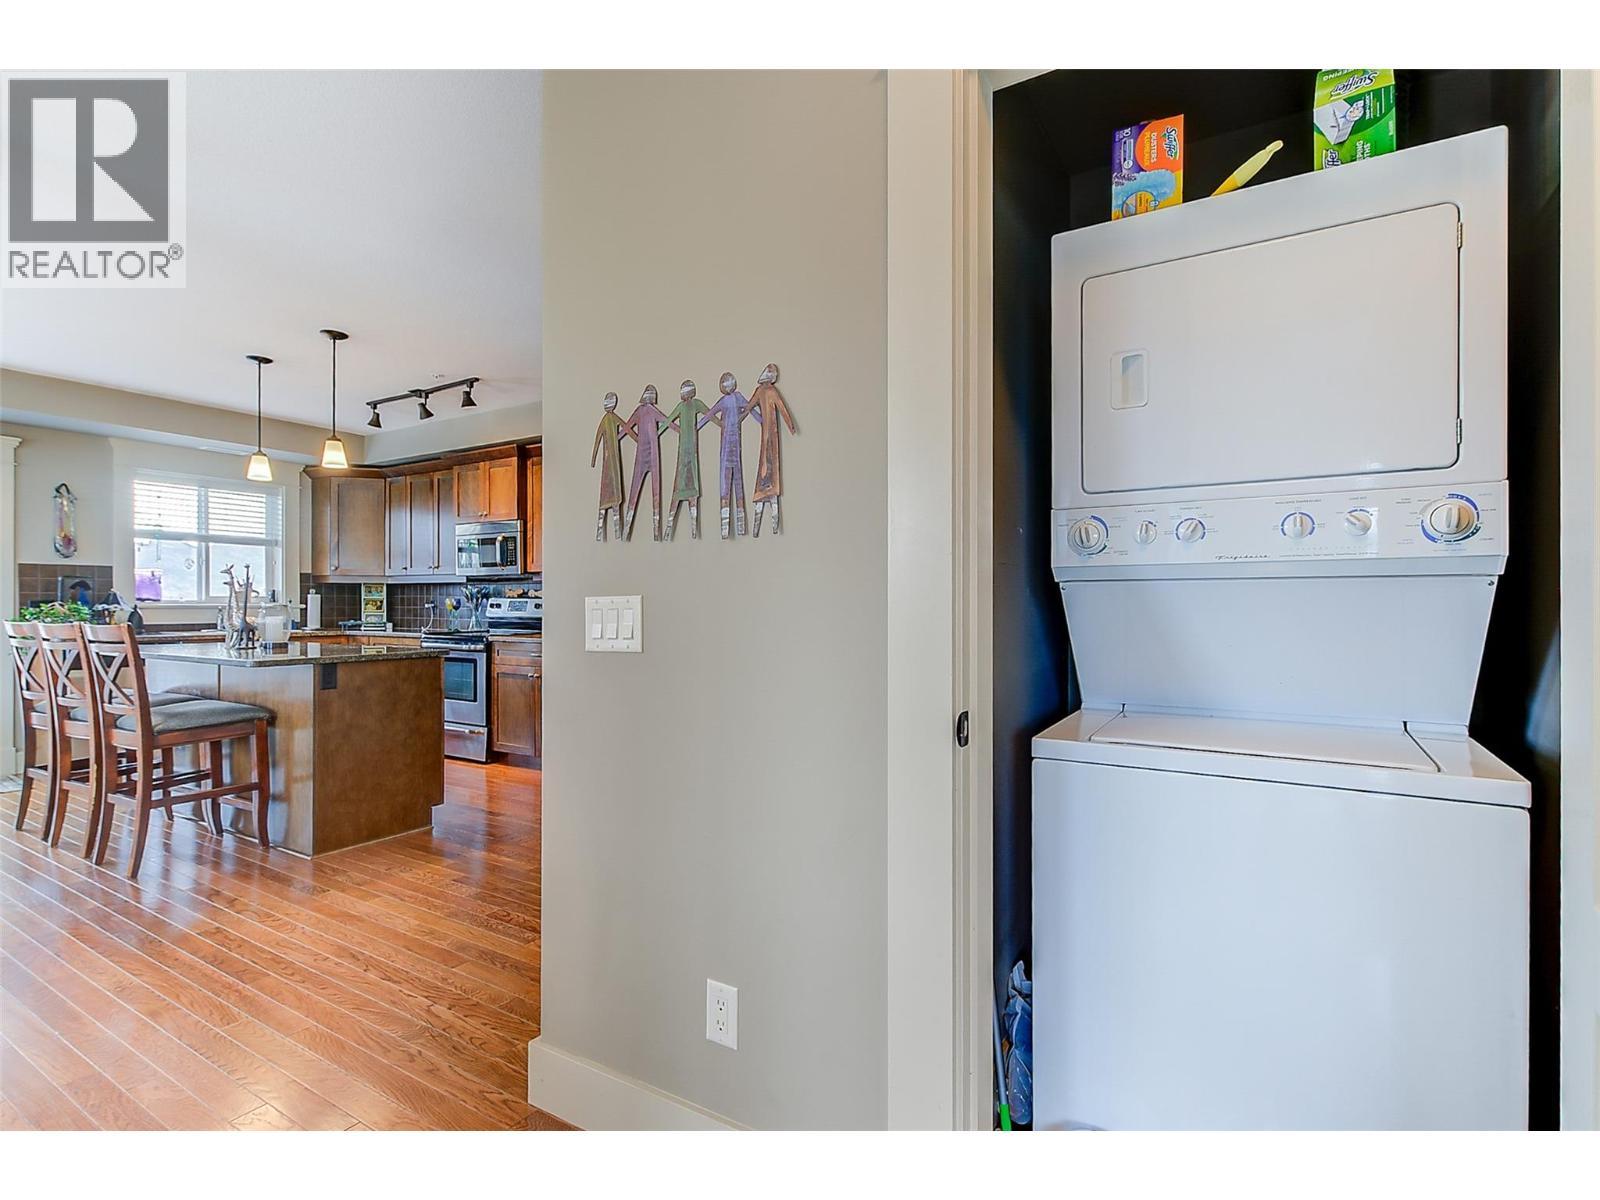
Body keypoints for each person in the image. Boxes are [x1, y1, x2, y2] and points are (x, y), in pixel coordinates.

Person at [698, 371, 752, 538]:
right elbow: (709, 414)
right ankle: (729, 525)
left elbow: (750, 407)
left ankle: (734, 524)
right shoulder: (731, 399)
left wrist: (749, 417)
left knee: (731, 479)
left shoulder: (736, 398)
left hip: (732, 444)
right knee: (731, 479)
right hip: (729, 444)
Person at [747, 362, 797, 537]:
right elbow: (782, 411)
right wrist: (790, 426)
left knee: (766, 465)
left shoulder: (762, 391)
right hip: (771, 435)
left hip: (768, 434)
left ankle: (766, 506)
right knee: (768, 465)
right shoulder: (768, 391)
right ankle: (767, 499)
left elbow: (748, 408)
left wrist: (759, 418)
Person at [622, 384, 671, 541]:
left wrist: (640, 437)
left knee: (652, 491)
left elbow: (667, 422)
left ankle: (653, 532)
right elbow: (627, 427)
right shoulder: (643, 411)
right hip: (648, 453)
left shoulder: (647, 411)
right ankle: (628, 530)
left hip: (650, 453)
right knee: (641, 490)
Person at [663, 379, 709, 540]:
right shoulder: (684, 406)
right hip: (686, 448)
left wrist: (697, 426)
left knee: (687, 479)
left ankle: (690, 529)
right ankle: (676, 528)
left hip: (687, 448)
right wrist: (680, 429)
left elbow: (710, 414)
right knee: (684, 479)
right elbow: (667, 422)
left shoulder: (693, 404)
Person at [590, 391, 627, 541]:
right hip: (609, 460)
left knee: (613, 493)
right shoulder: (607, 419)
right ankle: (604, 530)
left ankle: (616, 531)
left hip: (612, 460)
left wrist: (637, 438)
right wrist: (593, 460)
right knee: (608, 492)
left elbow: (626, 428)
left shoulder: (610, 418)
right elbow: (598, 440)